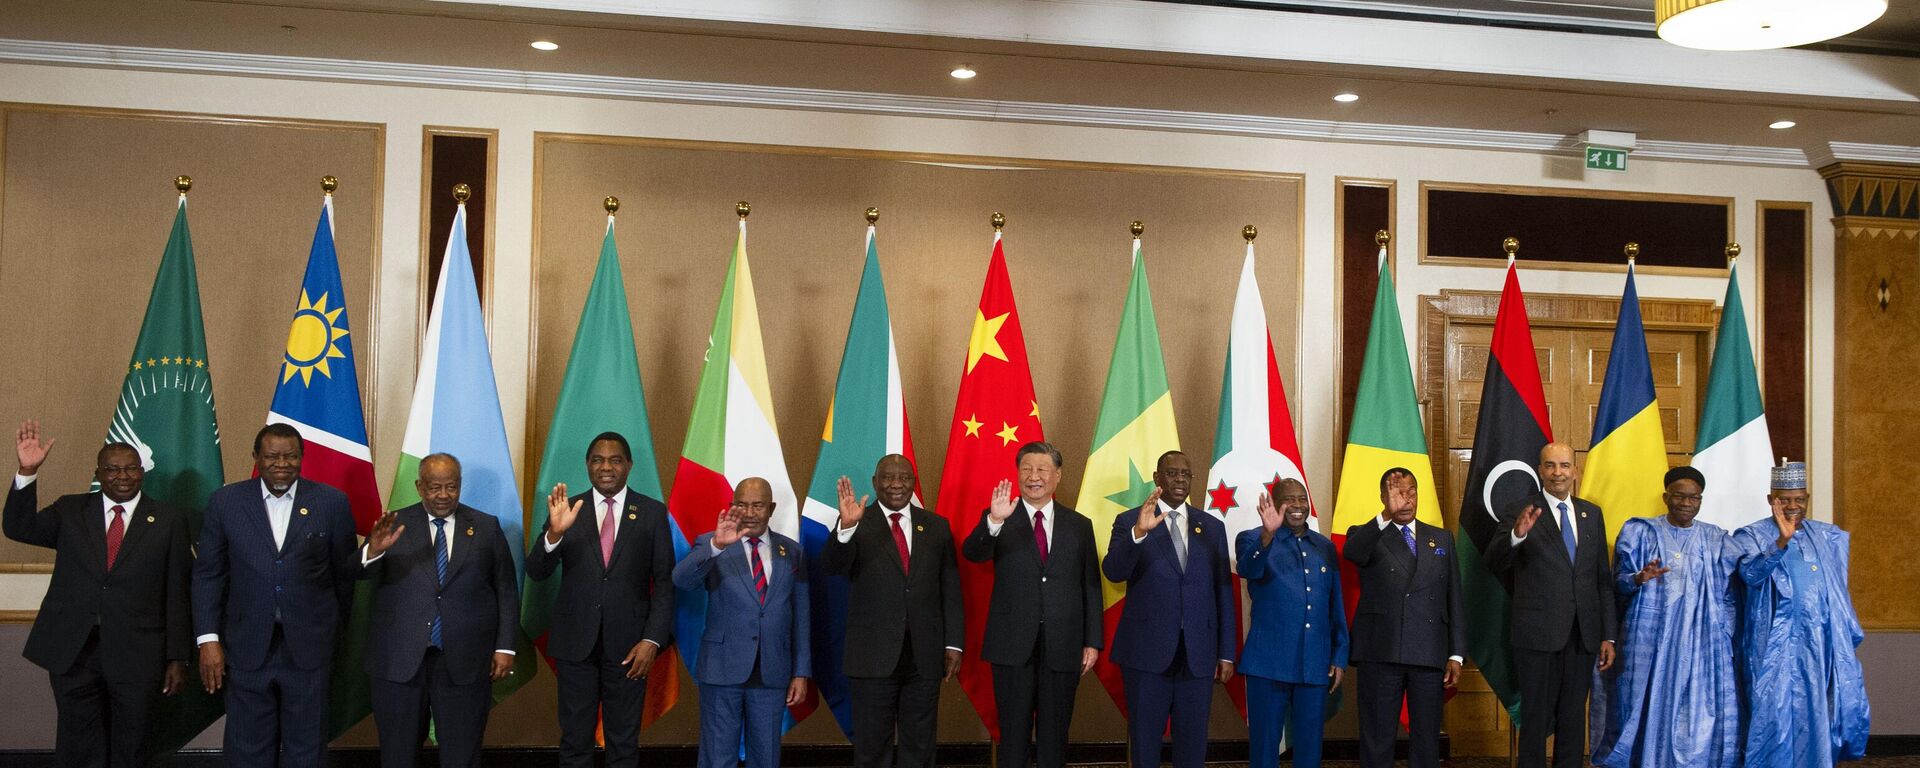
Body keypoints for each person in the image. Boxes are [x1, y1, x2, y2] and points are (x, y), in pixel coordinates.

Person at [5, 421, 191, 768]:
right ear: (98, 473)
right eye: (112, 469)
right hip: (74, 650)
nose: (123, 476)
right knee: (79, 746)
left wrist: (177, 656)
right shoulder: (71, 510)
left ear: (142, 471)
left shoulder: (167, 519)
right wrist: (27, 472)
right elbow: (19, 528)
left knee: (132, 744)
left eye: (131, 468)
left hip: (139, 653)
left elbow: (177, 591)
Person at [191, 423, 357, 767]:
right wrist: (208, 639)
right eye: (272, 456)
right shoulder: (226, 502)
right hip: (247, 647)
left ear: (301, 457)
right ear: (256, 458)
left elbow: (344, 575)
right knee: (246, 750)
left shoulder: (331, 502)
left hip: (309, 650)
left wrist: (330, 629)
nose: (282, 463)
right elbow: (209, 574)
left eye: (291, 456)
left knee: (307, 750)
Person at [527, 432, 677, 768]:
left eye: (614, 460)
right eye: (597, 460)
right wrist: (554, 534)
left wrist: (651, 640)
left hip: (630, 649)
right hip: (575, 645)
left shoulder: (652, 513)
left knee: (623, 744)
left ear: (629, 465)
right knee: (575, 742)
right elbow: (536, 571)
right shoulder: (567, 510)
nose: (605, 467)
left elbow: (665, 583)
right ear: (588, 465)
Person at [358, 453, 517, 768]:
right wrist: (372, 551)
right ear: (419, 486)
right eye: (434, 488)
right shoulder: (394, 524)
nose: (444, 495)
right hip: (400, 661)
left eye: (451, 487)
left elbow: (506, 590)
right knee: (398, 755)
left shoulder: (485, 527)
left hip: (465, 660)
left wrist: (505, 646)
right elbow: (358, 575)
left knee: (462, 756)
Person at [961, 441, 1101, 768]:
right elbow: (972, 553)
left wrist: (1092, 641)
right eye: (1026, 469)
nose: (1033, 476)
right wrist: (994, 522)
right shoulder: (999, 515)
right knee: (1012, 735)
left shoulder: (1079, 525)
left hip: (1063, 644)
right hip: (1011, 644)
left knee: (1055, 736)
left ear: (1057, 476)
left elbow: (1090, 585)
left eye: (1041, 469)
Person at [1593, 466, 1739, 768]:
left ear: (1701, 500)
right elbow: (1616, 584)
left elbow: (1735, 588)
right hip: (1648, 640)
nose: (1686, 504)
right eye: (1679, 497)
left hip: (1698, 644)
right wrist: (1638, 578)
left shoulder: (1715, 539)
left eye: (1693, 498)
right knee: (1642, 704)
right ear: (1665, 497)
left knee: (1694, 708)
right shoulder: (1640, 532)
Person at [1483, 442, 1617, 768]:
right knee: (1536, 720)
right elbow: (1494, 561)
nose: (1558, 473)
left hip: (1582, 635)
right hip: (1537, 636)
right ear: (1540, 470)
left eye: (1564, 465)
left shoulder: (1591, 513)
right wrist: (1516, 534)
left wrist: (1608, 636)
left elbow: (1601, 579)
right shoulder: (1520, 510)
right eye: (1550, 466)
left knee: (1573, 720)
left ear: (1575, 470)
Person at [824, 454, 962, 768]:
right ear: (875, 483)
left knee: (920, 746)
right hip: (872, 657)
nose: (896, 484)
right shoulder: (856, 521)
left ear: (914, 483)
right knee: (872, 749)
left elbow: (950, 589)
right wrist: (845, 528)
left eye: (904, 477)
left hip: (924, 658)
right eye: (888, 478)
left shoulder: (937, 526)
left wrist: (953, 643)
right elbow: (832, 567)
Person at [1101, 450, 1235, 768]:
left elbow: (1223, 593)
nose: (1179, 479)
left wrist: (1226, 652)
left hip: (1197, 656)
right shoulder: (1130, 521)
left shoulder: (1211, 527)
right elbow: (1113, 571)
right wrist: (1139, 534)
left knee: (1192, 748)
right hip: (1147, 656)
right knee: (1145, 746)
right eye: (1171, 473)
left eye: (1185, 474)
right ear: (1157, 478)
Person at [1734, 460, 1870, 768]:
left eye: (1800, 499)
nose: (1793, 506)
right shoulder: (1751, 535)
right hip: (1772, 644)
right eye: (1784, 499)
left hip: (1818, 641)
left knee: (1816, 711)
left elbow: (1836, 592)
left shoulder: (1825, 537)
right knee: (1773, 713)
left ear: (1807, 498)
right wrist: (1781, 541)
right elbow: (1749, 575)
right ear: (1771, 499)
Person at [673, 477, 811, 768]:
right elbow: (682, 580)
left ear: (771, 508)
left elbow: (800, 615)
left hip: (772, 671)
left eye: (758, 505)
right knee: (717, 757)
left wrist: (801, 672)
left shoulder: (791, 552)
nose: (749, 512)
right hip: (722, 669)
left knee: (766, 757)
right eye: (742, 504)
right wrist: (715, 546)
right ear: (732, 506)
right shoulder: (714, 543)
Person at [1343, 467, 1464, 768]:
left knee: (1426, 741)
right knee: (1377, 738)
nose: (1405, 499)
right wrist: (1385, 516)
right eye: (1397, 493)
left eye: (1411, 492)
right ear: (1384, 497)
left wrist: (1457, 654)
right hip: (1380, 652)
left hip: (1429, 653)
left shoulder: (1441, 539)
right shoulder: (1367, 534)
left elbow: (1455, 598)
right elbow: (1352, 553)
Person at [1237, 479, 1346, 768]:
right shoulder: (1252, 538)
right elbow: (1247, 569)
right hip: (1267, 662)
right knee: (1264, 749)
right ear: (1274, 504)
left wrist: (1339, 655)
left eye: (1302, 499)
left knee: (1309, 750)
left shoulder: (1324, 547)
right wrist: (1267, 536)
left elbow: (1334, 606)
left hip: (1314, 662)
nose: (1297, 505)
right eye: (1289, 500)